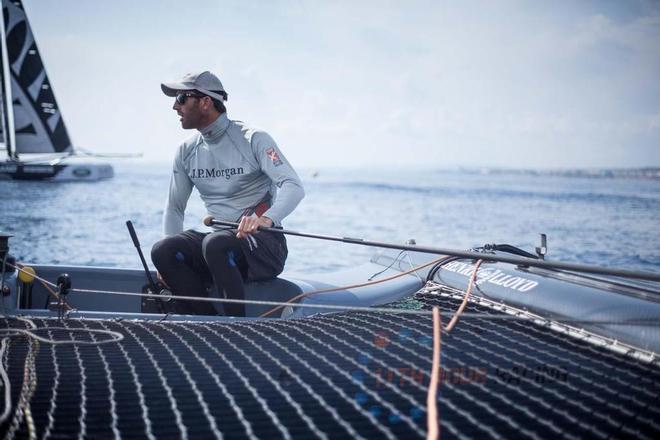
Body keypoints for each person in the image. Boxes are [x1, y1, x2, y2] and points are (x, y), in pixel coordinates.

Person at [151, 71, 304, 316]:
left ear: (205, 102)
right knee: (163, 250)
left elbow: (293, 186)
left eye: (181, 98)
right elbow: (175, 208)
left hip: (265, 245)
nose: (174, 106)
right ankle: (207, 323)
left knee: (216, 243)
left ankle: (235, 326)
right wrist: (167, 267)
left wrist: (265, 219)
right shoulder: (186, 151)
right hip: (221, 246)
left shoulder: (254, 138)